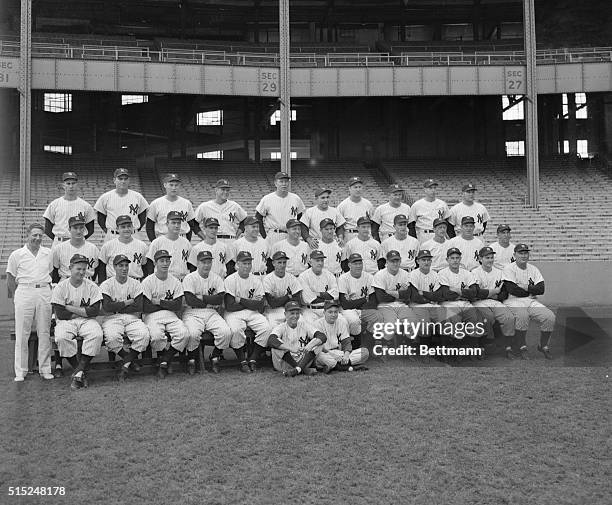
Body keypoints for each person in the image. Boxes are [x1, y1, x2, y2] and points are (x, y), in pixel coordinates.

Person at [7, 223, 54, 382]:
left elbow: (51, 273)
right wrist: (17, 295)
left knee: (44, 332)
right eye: (34, 235)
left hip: (43, 291)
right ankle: (21, 371)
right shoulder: (17, 254)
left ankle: (45, 369)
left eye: (40, 235)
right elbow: (11, 278)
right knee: (22, 332)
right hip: (24, 291)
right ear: (27, 235)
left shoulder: (48, 253)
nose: (37, 238)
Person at [51, 254, 104, 390]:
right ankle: (79, 371)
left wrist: (70, 307)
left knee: (96, 335)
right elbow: (61, 314)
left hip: (87, 321)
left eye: (84, 269)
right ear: (70, 268)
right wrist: (83, 311)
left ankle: (78, 372)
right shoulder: (61, 287)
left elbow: (94, 311)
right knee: (62, 338)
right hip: (66, 322)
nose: (81, 272)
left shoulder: (91, 286)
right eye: (78, 269)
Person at [99, 254, 150, 382]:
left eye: (126, 265)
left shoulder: (135, 283)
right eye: (120, 265)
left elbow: (138, 306)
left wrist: (116, 306)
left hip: (131, 317)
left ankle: (125, 363)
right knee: (112, 338)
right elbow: (107, 307)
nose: (124, 268)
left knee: (144, 335)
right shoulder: (106, 284)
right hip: (112, 318)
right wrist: (127, 302)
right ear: (114, 267)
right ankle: (130, 360)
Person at [141, 250, 190, 378]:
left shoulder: (175, 281)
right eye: (161, 261)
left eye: (167, 261)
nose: (165, 263)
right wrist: (168, 303)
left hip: (170, 315)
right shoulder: (147, 281)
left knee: (184, 334)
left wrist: (158, 302)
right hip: (152, 316)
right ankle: (165, 360)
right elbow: (146, 306)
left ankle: (163, 360)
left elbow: (177, 305)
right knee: (156, 336)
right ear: (155, 263)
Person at [182, 251, 233, 374]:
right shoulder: (190, 278)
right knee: (193, 334)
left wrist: (201, 297)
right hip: (192, 313)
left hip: (211, 312)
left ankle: (215, 356)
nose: (206, 265)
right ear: (197, 263)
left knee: (226, 332)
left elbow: (220, 299)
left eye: (209, 262)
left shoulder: (216, 278)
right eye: (203, 262)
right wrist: (210, 301)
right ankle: (192, 359)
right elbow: (190, 300)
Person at [502, 244, 556, 359]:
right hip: (513, 300)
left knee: (549, 316)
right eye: (520, 253)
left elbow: (541, 289)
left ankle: (543, 346)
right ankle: (521, 347)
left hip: (530, 301)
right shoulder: (509, 268)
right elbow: (512, 289)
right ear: (514, 255)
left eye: (526, 253)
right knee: (522, 315)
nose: (524, 255)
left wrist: (525, 287)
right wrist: (531, 291)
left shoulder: (533, 269)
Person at [223, 251, 272, 372]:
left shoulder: (256, 280)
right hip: (234, 313)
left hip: (252, 312)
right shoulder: (230, 280)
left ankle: (253, 358)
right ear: (237, 264)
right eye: (244, 263)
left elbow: (260, 304)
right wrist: (250, 302)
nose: (247, 266)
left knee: (267, 328)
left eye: (249, 263)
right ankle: (242, 360)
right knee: (235, 330)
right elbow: (230, 306)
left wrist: (239, 300)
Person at [437, 248, 484, 354]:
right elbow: (446, 294)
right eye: (452, 258)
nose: (455, 260)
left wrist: (456, 290)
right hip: (449, 304)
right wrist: (464, 292)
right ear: (447, 259)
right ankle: (456, 350)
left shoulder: (467, 273)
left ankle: (473, 348)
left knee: (475, 319)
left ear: (460, 259)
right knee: (455, 322)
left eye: (457, 258)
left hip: (465, 303)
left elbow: (474, 292)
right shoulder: (442, 273)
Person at [471, 247, 515, 359]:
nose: (490, 260)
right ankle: (481, 347)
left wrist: (493, 294)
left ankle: (507, 347)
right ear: (480, 259)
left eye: (491, 257)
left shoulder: (499, 272)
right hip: (479, 302)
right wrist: (493, 292)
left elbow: (504, 293)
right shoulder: (474, 272)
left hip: (495, 301)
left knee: (509, 317)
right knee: (487, 318)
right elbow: (476, 293)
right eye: (487, 257)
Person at [267, 301, 326, 377]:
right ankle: (303, 369)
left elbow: (322, 336)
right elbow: (271, 340)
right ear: (285, 314)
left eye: (297, 313)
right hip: (285, 363)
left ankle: (297, 370)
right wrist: (291, 348)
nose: (295, 316)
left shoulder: (304, 325)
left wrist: (310, 346)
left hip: (303, 359)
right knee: (276, 347)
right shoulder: (281, 327)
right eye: (292, 313)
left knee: (318, 343)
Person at [337, 253, 381, 349]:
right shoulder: (343, 278)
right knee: (354, 321)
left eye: (360, 263)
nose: (358, 266)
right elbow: (345, 304)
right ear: (349, 265)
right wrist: (364, 299)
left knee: (377, 316)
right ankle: (356, 346)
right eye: (355, 263)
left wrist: (356, 302)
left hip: (363, 308)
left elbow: (373, 301)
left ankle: (369, 345)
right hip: (348, 310)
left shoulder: (369, 277)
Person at [371, 250, 415, 344]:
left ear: (400, 261)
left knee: (413, 325)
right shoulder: (380, 275)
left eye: (397, 261)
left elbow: (408, 295)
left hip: (402, 305)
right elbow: (381, 297)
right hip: (385, 305)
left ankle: (408, 348)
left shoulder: (405, 274)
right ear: (387, 262)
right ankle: (383, 346)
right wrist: (400, 294)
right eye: (392, 261)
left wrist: (389, 292)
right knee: (390, 329)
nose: (395, 264)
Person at [94, 168, 148, 242]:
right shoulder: (105, 197)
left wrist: (135, 229)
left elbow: (142, 217)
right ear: (114, 180)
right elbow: (101, 218)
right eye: (120, 178)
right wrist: (109, 231)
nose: (123, 181)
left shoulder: (138, 197)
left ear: (129, 180)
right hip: (113, 235)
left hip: (133, 235)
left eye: (125, 179)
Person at [314, 300, 370, 372]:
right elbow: (317, 347)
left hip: (339, 353)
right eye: (330, 312)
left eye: (335, 312)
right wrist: (331, 353)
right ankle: (348, 367)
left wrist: (346, 355)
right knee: (320, 357)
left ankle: (334, 366)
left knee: (365, 352)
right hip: (326, 353)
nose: (333, 315)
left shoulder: (341, 322)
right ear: (324, 312)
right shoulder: (317, 324)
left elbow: (346, 342)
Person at [43, 172, 95, 247]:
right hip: (60, 242)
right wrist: (58, 239)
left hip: (79, 243)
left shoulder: (86, 206)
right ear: (63, 185)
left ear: (77, 185)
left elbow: (90, 229)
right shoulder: (54, 204)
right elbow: (48, 229)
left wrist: (78, 238)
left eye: (73, 183)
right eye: (68, 183)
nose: (71, 186)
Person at [146, 173, 203, 242]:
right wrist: (154, 242)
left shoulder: (187, 203)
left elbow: (192, 225)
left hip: (182, 238)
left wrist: (188, 241)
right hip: (163, 238)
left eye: (176, 185)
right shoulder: (156, 203)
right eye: (171, 185)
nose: (174, 188)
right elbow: (149, 227)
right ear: (165, 185)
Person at [255, 171, 305, 246]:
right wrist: (264, 236)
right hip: (275, 235)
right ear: (275, 183)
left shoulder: (296, 198)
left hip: (291, 234)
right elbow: (258, 218)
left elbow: (300, 217)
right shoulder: (267, 199)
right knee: (274, 257)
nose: (284, 184)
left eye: (286, 181)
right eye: (281, 181)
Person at [195, 179, 248, 246]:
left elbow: (245, 220)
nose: (225, 192)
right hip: (213, 240)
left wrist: (237, 234)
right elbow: (194, 224)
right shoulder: (205, 206)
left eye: (227, 190)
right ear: (216, 190)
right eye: (223, 189)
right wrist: (204, 237)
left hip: (230, 240)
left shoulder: (234, 205)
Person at [98, 215, 149, 281]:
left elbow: (145, 268)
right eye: (123, 227)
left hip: (135, 282)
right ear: (117, 229)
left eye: (129, 226)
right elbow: (101, 268)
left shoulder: (142, 246)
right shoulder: (108, 246)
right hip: (113, 283)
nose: (126, 229)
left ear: (132, 227)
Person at [147, 211, 193, 281]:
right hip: (162, 280)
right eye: (173, 223)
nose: (177, 225)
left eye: (179, 223)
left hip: (181, 280)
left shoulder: (186, 243)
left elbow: (191, 265)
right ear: (167, 223)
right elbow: (150, 263)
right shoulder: (157, 242)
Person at [52, 215, 101, 282]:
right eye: (75, 228)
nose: (78, 231)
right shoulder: (59, 248)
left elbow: (97, 270)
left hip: (87, 282)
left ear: (85, 229)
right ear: (69, 229)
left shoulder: (93, 248)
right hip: (66, 282)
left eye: (81, 228)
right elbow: (55, 270)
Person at [298, 250, 339, 327]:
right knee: (310, 327)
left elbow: (336, 295)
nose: (320, 263)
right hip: (311, 311)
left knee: (341, 321)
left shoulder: (329, 275)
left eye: (322, 260)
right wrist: (328, 296)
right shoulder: (303, 276)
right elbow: (308, 299)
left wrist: (317, 294)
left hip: (328, 309)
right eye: (317, 260)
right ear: (310, 262)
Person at [263, 251, 303, 327]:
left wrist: (280, 300)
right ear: (273, 263)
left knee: (301, 321)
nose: (282, 265)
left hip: (290, 309)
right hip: (273, 311)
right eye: (279, 262)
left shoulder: (291, 278)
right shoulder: (267, 279)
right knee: (273, 326)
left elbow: (297, 301)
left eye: (284, 262)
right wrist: (288, 297)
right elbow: (272, 303)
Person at [408, 179, 454, 243]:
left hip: (440, 235)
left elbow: (448, 223)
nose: (433, 190)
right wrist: (414, 240)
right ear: (425, 190)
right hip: (424, 235)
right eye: (430, 188)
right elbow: (411, 225)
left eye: (434, 188)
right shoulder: (417, 205)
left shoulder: (442, 204)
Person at [337, 176, 374, 243]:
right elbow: (339, 225)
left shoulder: (368, 204)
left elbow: (373, 223)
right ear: (349, 189)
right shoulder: (343, 205)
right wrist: (341, 237)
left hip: (366, 235)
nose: (358, 189)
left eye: (360, 187)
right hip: (350, 235)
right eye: (355, 187)